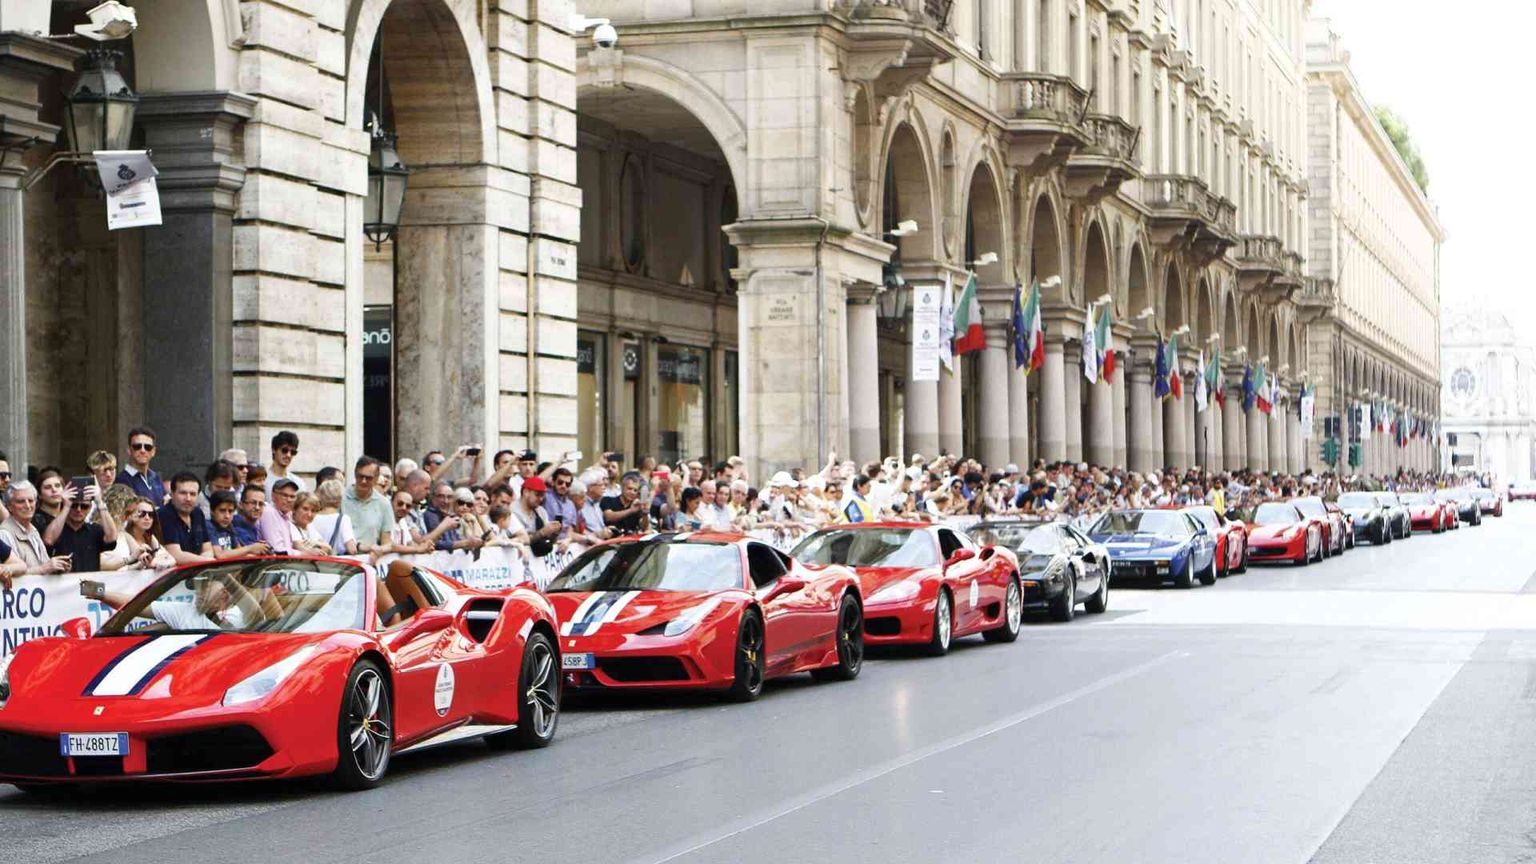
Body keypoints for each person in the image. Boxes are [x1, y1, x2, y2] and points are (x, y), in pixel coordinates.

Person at [45, 482, 116, 572]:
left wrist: (100, 502)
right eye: (74, 506)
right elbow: (48, 540)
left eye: (84, 506)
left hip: (89, 584)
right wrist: (66, 505)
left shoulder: (95, 530)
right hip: (62, 584)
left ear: (90, 508)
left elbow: (112, 538)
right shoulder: (57, 529)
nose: (78, 510)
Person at [1, 482, 70, 573]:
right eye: (20, 501)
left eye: (31, 501)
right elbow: (12, 575)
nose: (27, 506)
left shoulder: (33, 530)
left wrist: (57, 567)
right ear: (9, 506)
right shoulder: (4, 533)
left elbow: (44, 566)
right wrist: (43, 569)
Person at [157, 472, 215, 564]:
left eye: (193, 494)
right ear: (172, 494)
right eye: (183, 493)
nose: (188, 498)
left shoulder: (197, 513)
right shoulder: (164, 514)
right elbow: (175, 554)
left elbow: (208, 549)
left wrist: (204, 562)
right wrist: (206, 561)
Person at [341, 456, 392, 554]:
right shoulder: (341, 497)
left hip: (368, 560)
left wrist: (378, 551)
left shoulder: (384, 503)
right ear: (355, 474)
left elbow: (387, 542)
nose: (363, 481)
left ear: (377, 478)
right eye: (360, 476)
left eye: (368, 478)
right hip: (342, 560)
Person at [112, 496, 175, 570]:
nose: (147, 518)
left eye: (151, 514)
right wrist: (139, 566)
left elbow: (171, 559)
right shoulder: (122, 537)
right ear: (131, 515)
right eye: (142, 513)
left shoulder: (149, 537)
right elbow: (120, 570)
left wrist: (156, 562)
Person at [208, 490, 270, 559]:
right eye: (222, 510)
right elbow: (220, 555)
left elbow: (240, 551)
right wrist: (251, 548)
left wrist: (262, 553)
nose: (227, 516)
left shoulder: (229, 526)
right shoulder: (209, 526)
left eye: (230, 511)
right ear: (212, 511)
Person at [114, 426, 167, 505]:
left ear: (153, 452)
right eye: (137, 446)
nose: (142, 450)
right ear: (129, 450)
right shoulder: (121, 481)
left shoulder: (155, 478)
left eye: (147, 447)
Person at [513, 477, 561, 557]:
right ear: (526, 492)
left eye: (543, 496)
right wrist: (542, 532)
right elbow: (521, 539)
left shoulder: (541, 511)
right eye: (537, 495)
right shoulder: (513, 511)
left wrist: (554, 533)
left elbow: (549, 540)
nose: (541, 499)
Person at [312, 479, 359, 555]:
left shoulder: (312, 517)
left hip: (314, 561)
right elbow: (352, 549)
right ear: (340, 498)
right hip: (335, 564)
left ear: (321, 497)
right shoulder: (344, 519)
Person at [257, 477, 299, 554]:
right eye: (284, 495)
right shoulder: (269, 511)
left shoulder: (287, 514)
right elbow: (278, 550)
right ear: (273, 496)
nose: (289, 500)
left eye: (292, 497)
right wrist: (304, 554)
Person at [288, 491, 336, 556]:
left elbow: (328, 548)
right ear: (294, 509)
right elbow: (298, 546)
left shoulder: (309, 527)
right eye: (305, 509)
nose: (309, 514)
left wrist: (315, 543)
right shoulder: (290, 525)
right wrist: (317, 547)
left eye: (313, 511)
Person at [265, 430, 305, 494]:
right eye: (284, 450)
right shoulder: (263, 480)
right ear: (274, 450)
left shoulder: (299, 483)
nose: (288, 455)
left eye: (293, 452)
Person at [543, 468, 578, 539]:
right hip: (547, 540)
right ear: (553, 482)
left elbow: (571, 527)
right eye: (560, 482)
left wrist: (567, 540)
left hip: (565, 542)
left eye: (567, 484)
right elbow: (536, 482)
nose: (563, 486)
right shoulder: (545, 496)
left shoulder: (571, 504)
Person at [34, 469, 67, 534]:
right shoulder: (35, 519)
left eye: (57, 486)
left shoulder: (70, 514)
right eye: (48, 487)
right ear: (39, 494)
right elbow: (48, 540)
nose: (54, 490)